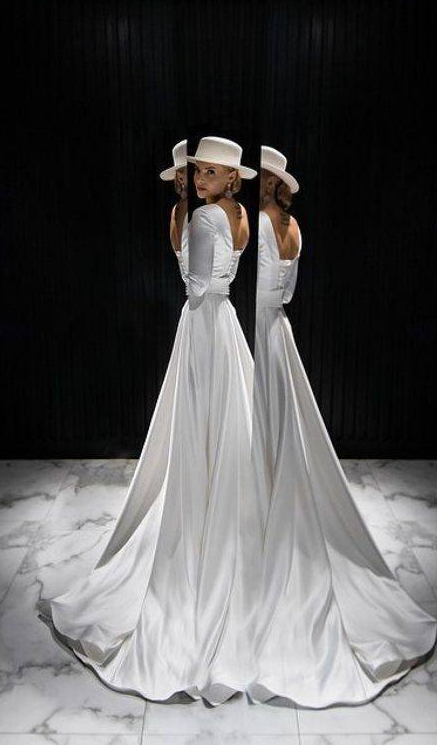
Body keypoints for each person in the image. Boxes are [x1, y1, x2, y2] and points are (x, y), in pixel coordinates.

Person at [37, 135, 265, 706]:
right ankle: (221, 516)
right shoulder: (236, 215)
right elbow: (219, 277)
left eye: (208, 173)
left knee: (203, 421)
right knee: (226, 423)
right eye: (194, 173)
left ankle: (201, 527)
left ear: (230, 178)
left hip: (203, 324)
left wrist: (186, 235)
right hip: (224, 325)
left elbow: (195, 285)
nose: (199, 181)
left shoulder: (205, 217)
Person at [250, 144, 437, 708]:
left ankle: (268, 512)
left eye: (260, 179)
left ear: (271, 184)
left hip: (264, 329)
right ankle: (272, 495)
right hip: (279, 328)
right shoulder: (294, 227)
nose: (254, 185)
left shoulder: (262, 224)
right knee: (284, 418)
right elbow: (284, 289)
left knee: (272, 419)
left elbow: (257, 286)